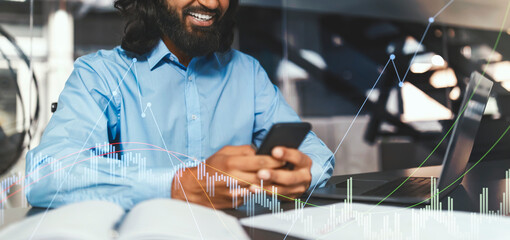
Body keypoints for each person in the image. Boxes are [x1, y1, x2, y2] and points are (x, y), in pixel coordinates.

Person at [25, 0, 334, 210]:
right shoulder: (101, 75)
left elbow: (315, 153)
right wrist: (180, 184)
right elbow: (46, 175)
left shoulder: (247, 73)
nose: (213, 4)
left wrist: (303, 173)